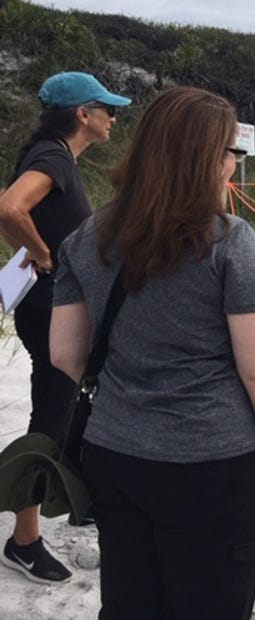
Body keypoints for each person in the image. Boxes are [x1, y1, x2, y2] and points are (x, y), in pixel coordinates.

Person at [49, 86, 255, 619]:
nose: (234, 162)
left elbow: (65, 355)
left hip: (114, 455)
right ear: (207, 159)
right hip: (212, 464)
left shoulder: (85, 238)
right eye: (229, 151)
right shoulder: (230, 240)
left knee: (129, 603)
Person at [0, 71, 130, 584]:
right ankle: (23, 540)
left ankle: (76, 494)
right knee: (53, 409)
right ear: (83, 114)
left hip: (51, 304)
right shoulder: (54, 155)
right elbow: (9, 207)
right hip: (49, 306)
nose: (113, 118)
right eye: (107, 108)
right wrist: (43, 253)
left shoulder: (54, 154)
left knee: (75, 398)